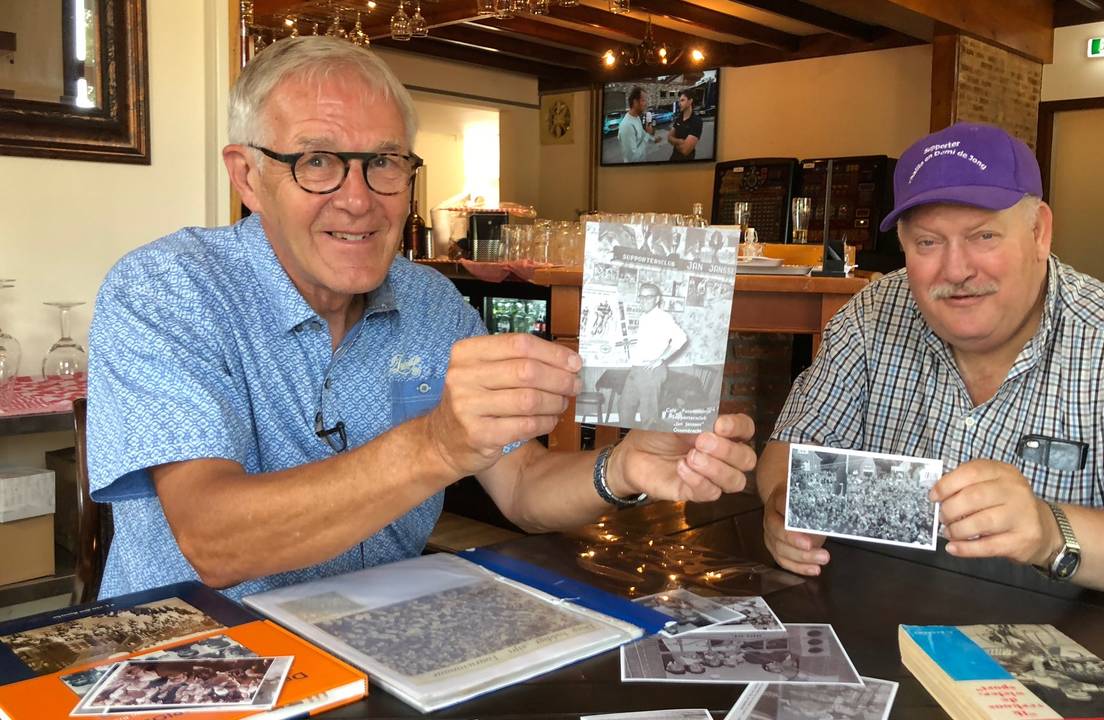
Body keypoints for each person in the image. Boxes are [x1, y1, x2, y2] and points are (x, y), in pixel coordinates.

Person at [86, 37, 756, 601]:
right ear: (247, 176)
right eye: (317, 161)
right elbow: (213, 540)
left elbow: (521, 484)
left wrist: (624, 467)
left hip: (381, 648)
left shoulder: (431, 304)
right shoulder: (167, 290)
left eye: (383, 162)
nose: (359, 201)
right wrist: (435, 445)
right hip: (192, 660)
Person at [757, 121, 1104, 595]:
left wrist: (1050, 532)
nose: (957, 270)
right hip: (882, 619)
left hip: (1065, 641)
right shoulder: (871, 316)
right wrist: (783, 508)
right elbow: (790, 449)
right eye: (928, 242)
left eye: (983, 236)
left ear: (1039, 232)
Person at [618, 283, 688, 429]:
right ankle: (626, 443)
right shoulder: (644, 317)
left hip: (651, 372)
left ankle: (647, 448)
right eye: (641, 296)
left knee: (648, 417)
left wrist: (660, 359)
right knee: (625, 408)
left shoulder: (663, 317)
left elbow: (681, 338)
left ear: (657, 299)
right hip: (637, 370)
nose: (643, 300)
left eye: (648, 297)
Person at [617, 86, 657, 163]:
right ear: (635, 102)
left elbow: (641, 134)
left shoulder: (637, 118)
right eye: (644, 100)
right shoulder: (627, 126)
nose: (646, 104)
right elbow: (633, 158)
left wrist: (653, 139)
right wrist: (648, 134)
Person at [666, 88, 702, 162]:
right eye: (679, 101)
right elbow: (669, 137)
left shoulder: (696, 121)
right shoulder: (679, 118)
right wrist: (680, 141)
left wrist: (674, 141)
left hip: (686, 164)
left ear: (690, 101)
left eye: (682, 100)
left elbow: (685, 150)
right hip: (673, 159)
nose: (679, 103)